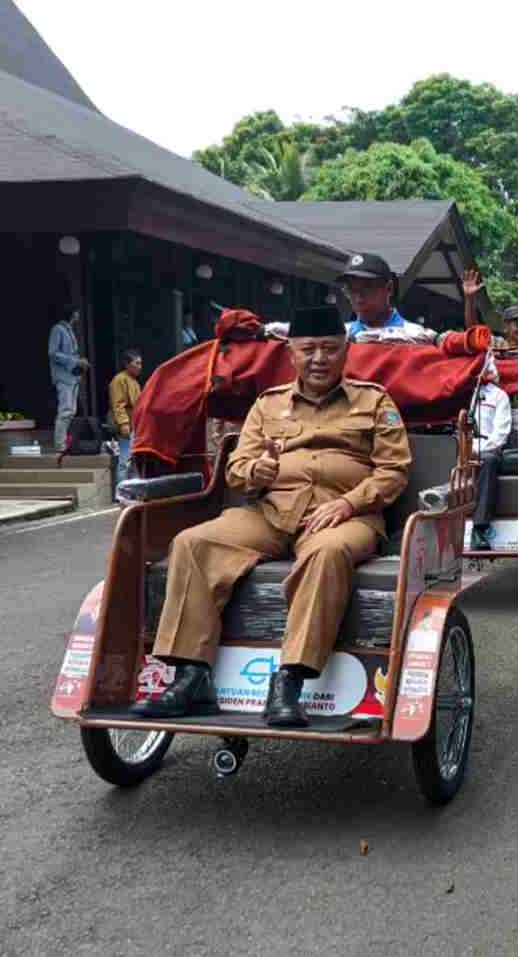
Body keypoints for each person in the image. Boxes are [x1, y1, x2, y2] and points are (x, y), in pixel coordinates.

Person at [133, 302, 411, 725]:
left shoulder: (374, 401)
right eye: (309, 349)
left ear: (346, 351)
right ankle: (190, 678)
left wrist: (349, 502)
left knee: (326, 552)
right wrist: (256, 472)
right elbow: (237, 469)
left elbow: (395, 471)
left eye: (331, 348)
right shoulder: (268, 405)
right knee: (193, 542)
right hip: (270, 512)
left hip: (345, 517)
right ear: (292, 354)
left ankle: (288, 683)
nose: (320, 358)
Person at [468, 364, 513, 551]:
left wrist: (476, 450)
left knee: (488, 460)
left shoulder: (499, 395)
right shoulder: (459, 393)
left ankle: (479, 528)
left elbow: (500, 434)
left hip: (487, 450)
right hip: (459, 446)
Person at [340, 252, 429, 341]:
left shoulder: (417, 337)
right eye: (351, 290)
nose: (358, 299)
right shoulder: (340, 339)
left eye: (368, 289)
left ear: (389, 288)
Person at [48, 305, 88, 451]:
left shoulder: (69, 330)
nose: (78, 314)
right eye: (77, 312)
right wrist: (76, 361)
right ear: (72, 313)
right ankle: (60, 444)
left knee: (71, 411)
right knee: (65, 410)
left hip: (72, 377)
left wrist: (80, 363)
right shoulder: (58, 329)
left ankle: (65, 442)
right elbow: (53, 353)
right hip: (63, 377)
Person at [109, 349, 143, 494]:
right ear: (128, 365)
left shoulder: (133, 381)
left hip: (134, 423)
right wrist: (123, 423)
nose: (140, 366)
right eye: (137, 363)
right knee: (125, 460)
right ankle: (121, 493)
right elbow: (118, 404)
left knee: (134, 460)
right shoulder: (119, 380)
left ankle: (134, 491)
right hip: (126, 424)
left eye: (140, 363)